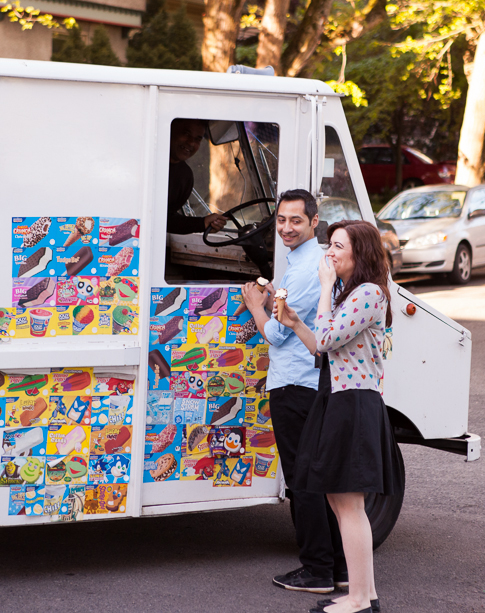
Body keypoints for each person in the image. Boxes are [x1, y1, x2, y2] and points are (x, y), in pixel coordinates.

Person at [275, 219, 403, 613]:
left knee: (349, 505)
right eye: (329, 245)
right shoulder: (354, 293)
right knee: (339, 501)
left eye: (337, 246)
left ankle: (362, 599)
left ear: (358, 253)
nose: (328, 253)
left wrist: (326, 288)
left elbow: (328, 337)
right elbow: (323, 348)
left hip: (354, 404)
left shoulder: (368, 293)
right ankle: (361, 594)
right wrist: (295, 321)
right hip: (339, 400)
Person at [241, 189, 347, 594]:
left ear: (314, 222)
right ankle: (337, 568)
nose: (286, 228)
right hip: (307, 384)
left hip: (294, 386)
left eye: (296, 221)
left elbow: (277, 333)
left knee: (303, 482)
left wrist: (255, 304)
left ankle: (317, 569)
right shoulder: (307, 264)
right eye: (281, 220)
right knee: (317, 479)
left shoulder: (304, 270)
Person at [167, 118, 227, 235]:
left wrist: (203, 223)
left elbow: (167, 220)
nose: (190, 143)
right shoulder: (144, 166)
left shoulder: (185, 176)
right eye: (186, 134)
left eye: (197, 139)